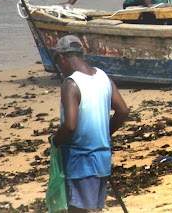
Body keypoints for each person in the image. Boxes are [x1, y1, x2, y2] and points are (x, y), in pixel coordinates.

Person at [52, 35, 129, 212]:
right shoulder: (103, 77)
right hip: (102, 158)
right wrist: (104, 133)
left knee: (77, 209)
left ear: (62, 58)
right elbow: (123, 111)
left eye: (58, 62)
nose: (60, 68)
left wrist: (56, 141)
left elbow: (70, 126)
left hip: (81, 162)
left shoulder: (71, 84)